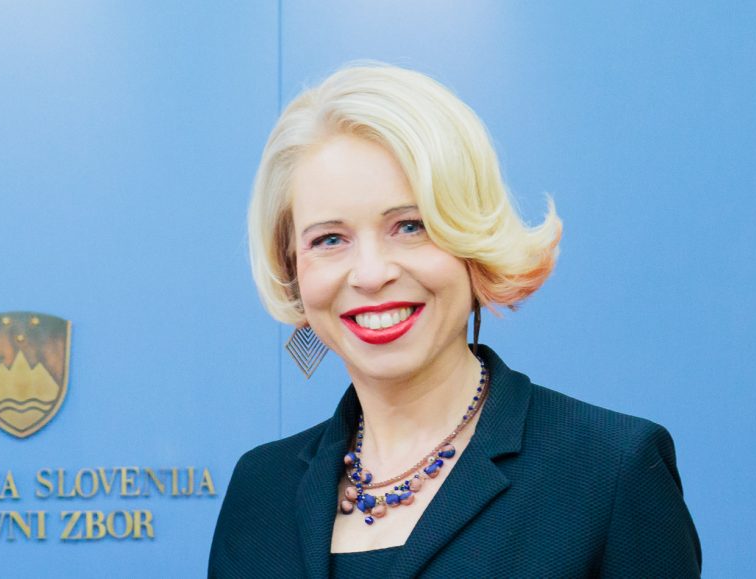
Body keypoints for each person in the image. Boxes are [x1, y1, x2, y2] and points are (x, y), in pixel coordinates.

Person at [209, 64, 701, 578]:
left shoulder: (609, 470)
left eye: (410, 226)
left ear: (473, 241)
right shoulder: (260, 489)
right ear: (292, 268)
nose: (372, 274)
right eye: (329, 239)